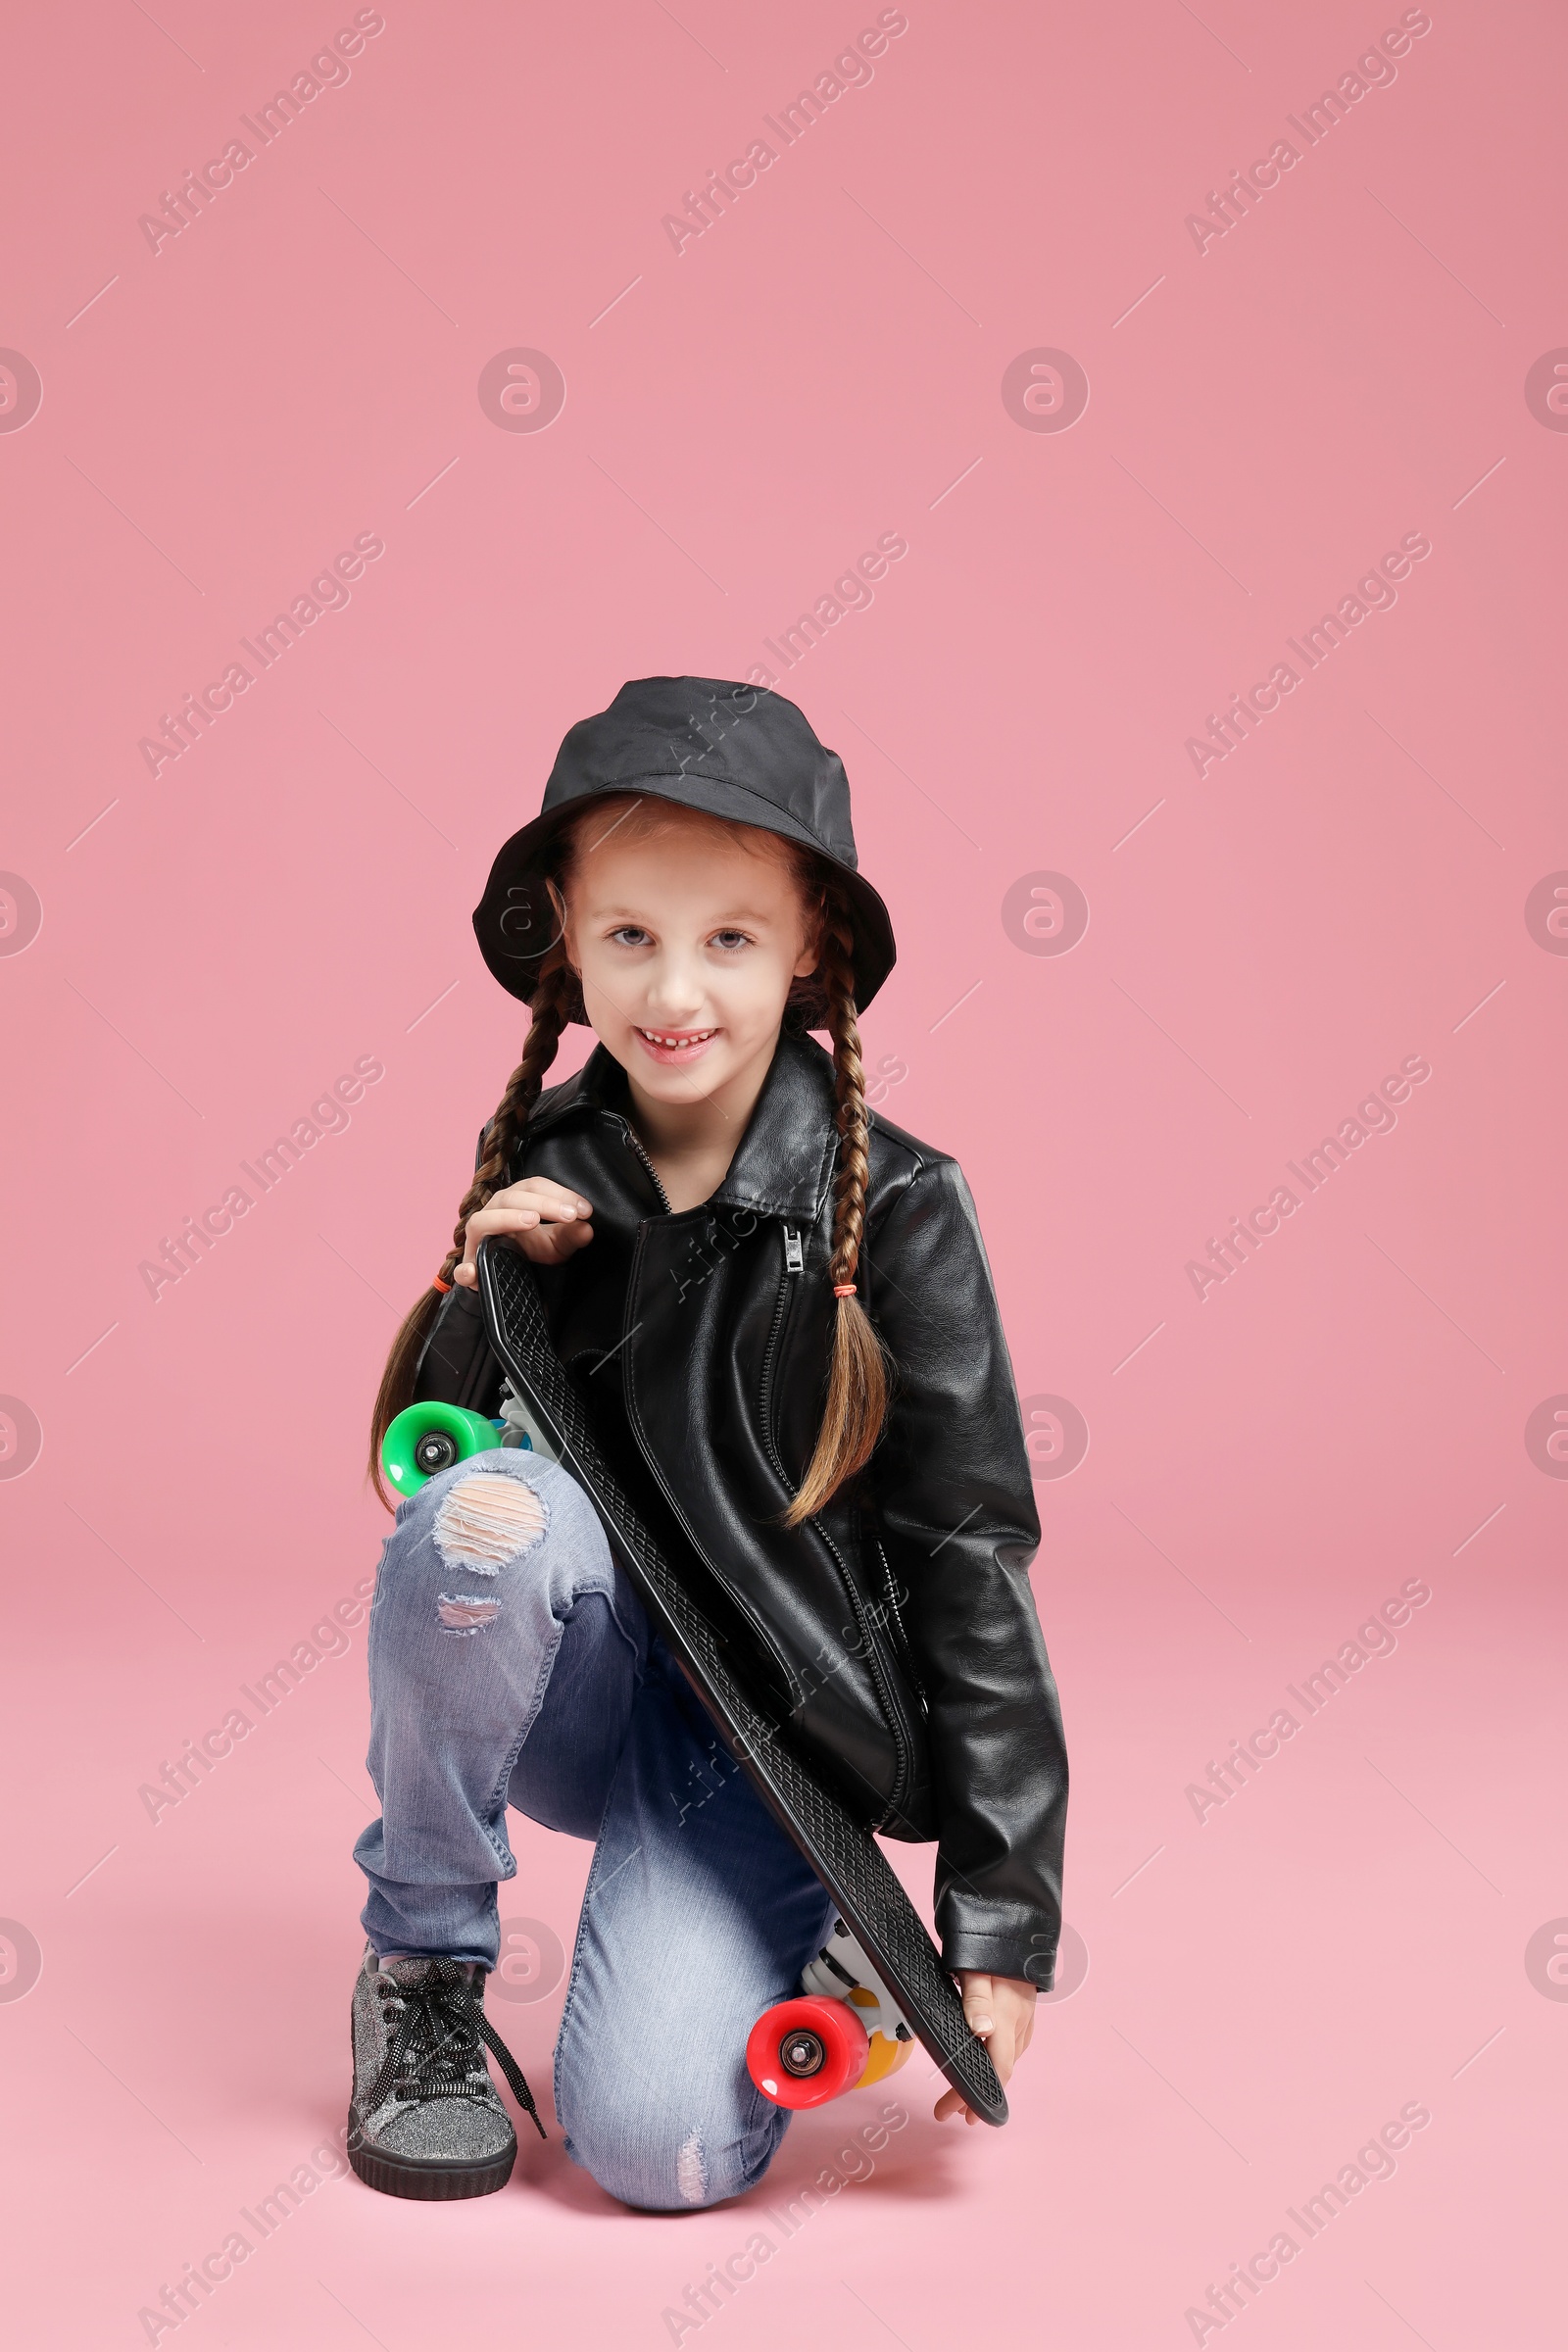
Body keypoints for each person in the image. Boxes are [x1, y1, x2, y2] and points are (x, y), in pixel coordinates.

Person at [347, 676, 1068, 2211]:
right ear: (567, 935)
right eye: (630, 936)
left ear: (809, 947)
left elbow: (969, 1551)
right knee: (486, 1524)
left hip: (760, 1739)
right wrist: (491, 1289)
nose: (675, 991)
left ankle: (798, 1939)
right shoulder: (550, 1154)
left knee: (655, 2152)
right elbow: (422, 1483)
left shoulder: (901, 1210)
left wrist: (999, 1916)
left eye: (729, 938)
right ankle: (421, 1973)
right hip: (582, 1673)